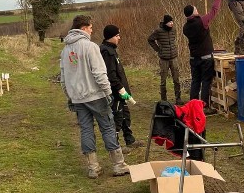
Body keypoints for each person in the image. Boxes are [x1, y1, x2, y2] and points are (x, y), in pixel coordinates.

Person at [60, 15, 130, 178]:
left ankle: (93, 167)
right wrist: (108, 92)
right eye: (91, 27)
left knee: (86, 130)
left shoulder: (65, 50)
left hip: (78, 98)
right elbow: (99, 73)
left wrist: (70, 96)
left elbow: (63, 78)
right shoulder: (90, 47)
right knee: (107, 127)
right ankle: (118, 165)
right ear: (84, 28)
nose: (92, 31)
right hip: (96, 96)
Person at [100, 24, 143, 153]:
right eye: (117, 35)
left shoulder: (112, 50)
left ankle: (130, 140)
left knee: (125, 115)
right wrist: (120, 89)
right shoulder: (107, 52)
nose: (119, 38)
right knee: (117, 117)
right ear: (110, 37)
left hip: (120, 92)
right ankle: (116, 145)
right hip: (115, 92)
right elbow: (111, 75)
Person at [182, 0, 224, 115]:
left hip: (193, 58)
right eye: (195, 9)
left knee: (195, 81)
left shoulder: (186, 27)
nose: (197, 10)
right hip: (206, 58)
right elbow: (214, 11)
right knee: (206, 81)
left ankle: (192, 106)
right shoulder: (201, 21)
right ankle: (204, 106)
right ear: (193, 12)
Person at [147, 14, 184, 105]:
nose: (172, 23)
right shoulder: (158, 31)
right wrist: (158, 49)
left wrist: (174, 49)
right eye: (170, 22)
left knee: (176, 79)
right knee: (163, 80)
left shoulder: (173, 30)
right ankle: (164, 100)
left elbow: (173, 41)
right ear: (166, 23)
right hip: (163, 59)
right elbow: (150, 39)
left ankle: (178, 98)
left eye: (172, 22)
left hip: (174, 58)